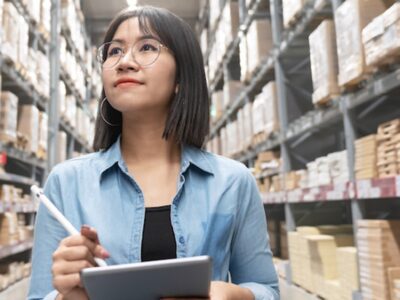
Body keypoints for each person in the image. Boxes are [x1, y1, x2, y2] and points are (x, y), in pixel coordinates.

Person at [28, 5, 279, 300]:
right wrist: (65, 297)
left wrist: (231, 295)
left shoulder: (233, 181)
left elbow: (267, 290)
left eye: (147, 47)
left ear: (180, 78)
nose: (125, 62)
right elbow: (38, 296)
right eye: (114, 51)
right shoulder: (65, 183)